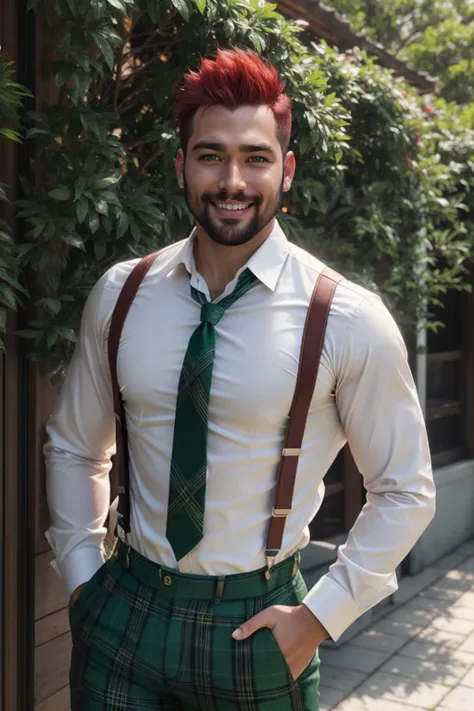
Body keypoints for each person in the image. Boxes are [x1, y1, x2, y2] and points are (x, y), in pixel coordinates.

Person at [45, 48, 435, 711]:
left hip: (257, 628)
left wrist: (318, 618)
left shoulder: (346, 317)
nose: (232, 179)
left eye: (255, 157)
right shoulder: (122, 294)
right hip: (124, 615)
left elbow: (405, 489)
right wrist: (84, 580)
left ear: (286, 170)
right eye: (210, 155)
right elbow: (76, 446)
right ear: (181, 166)